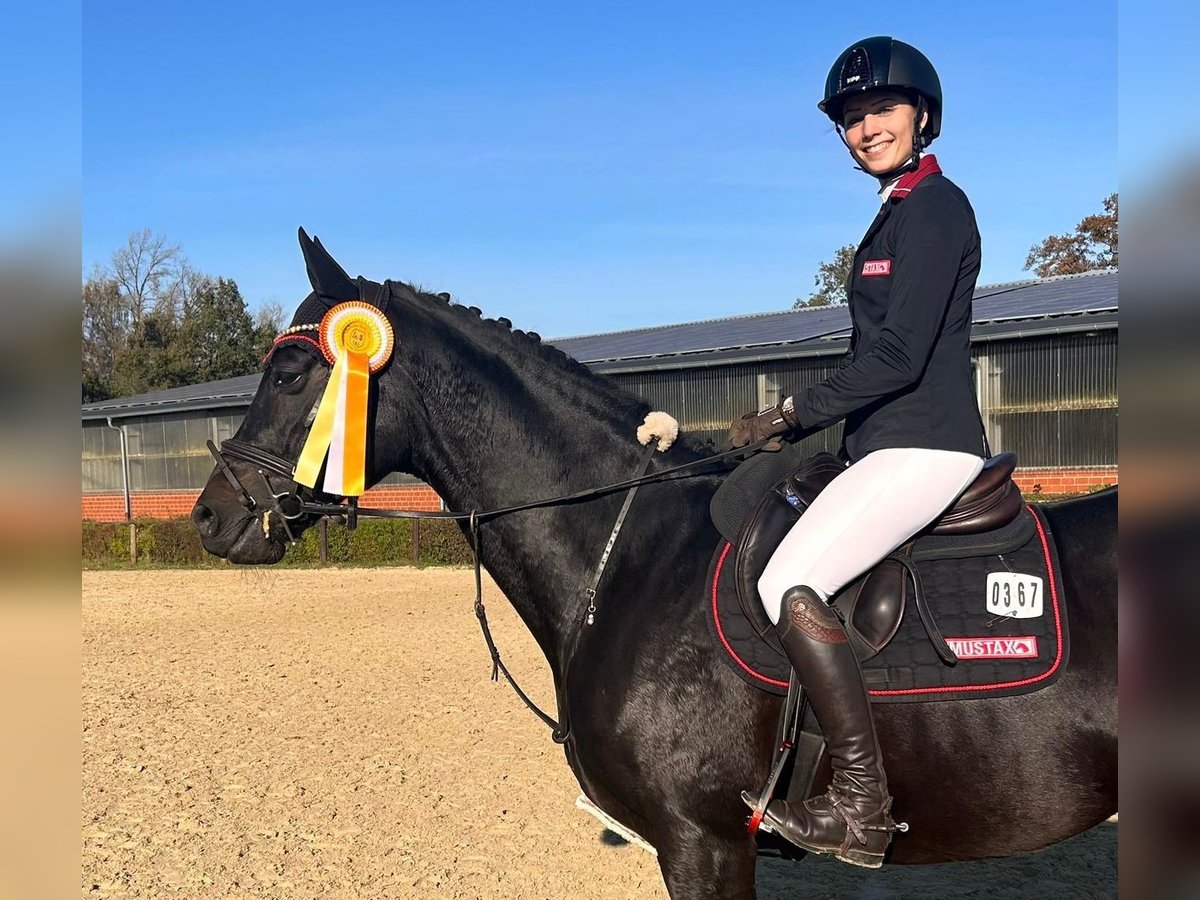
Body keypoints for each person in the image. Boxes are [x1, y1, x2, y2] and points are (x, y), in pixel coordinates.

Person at [728, 36, 990, 868]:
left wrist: (792, 413)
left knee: (785, 583)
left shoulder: (937, 209)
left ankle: (859, 807)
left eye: (880, 109)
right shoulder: (895, 210)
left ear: (920, 114)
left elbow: (898, 357)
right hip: (883, 442)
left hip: (927, 444)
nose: (865, 127)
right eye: (851, 118)